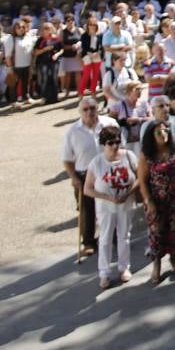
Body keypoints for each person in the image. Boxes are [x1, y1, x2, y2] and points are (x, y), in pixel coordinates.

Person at [61, 96, 120, 254]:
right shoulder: (72, 131)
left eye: (92, 108)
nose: (89, 112)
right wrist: (73, 178)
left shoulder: (110, 124)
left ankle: (115, 237)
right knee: (87, 210)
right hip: (84, 174)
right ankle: (88, 242)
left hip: (108, 171)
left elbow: (121, 146)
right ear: (80, 112)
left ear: (97, 108)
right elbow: (67, 158)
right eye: (85, 109)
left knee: (111, 205)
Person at [84, 126, 137, 288]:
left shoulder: (129, 156)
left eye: (117, 142)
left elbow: (139, 177)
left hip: (126, 204)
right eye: (110, 143)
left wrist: (128, 194)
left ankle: (124, 267)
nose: (114, 146)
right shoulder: (96, 162)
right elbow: (87, 189)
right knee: (105, 238)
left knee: (124, 236)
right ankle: (104, 273)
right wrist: (107, 197)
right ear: (103, 144)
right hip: (106, 207)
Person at [141, 118, 175, 281]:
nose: (163, 134)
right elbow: (143, 181)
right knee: (156, 234)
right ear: (151, 135)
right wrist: (149, 201)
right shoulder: (147, 154)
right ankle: (157, 264)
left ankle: (174, 259)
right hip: (156, 200)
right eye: (158, 132)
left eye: (165, 130)